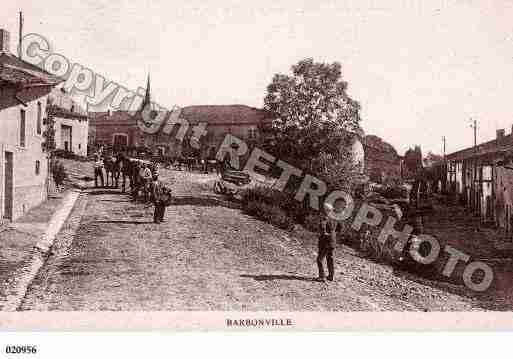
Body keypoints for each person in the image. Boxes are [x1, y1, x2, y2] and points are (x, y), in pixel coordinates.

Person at [316, 202, 341, 282]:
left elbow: (322, 228)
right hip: (333, 241)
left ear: (325, 210)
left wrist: (324, 234)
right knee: (330, 258)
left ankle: (322, 276)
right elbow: (340, 227)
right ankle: (331, 276)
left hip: (325, 242)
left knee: (319, 259)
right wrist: (333, 234)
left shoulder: (325, 218)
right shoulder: (335, 218)